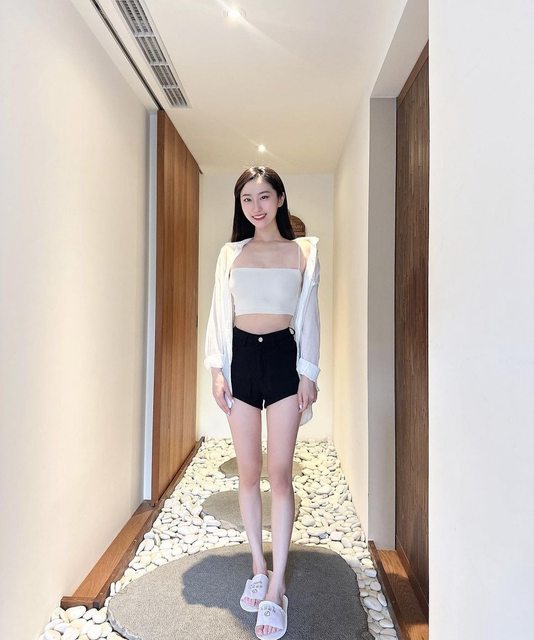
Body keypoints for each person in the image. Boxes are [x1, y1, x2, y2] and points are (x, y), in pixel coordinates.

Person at [204, 166, 320, 639]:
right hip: (241, 360)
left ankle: (277, 586)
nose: (256, 206)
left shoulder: (303, 252)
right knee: (249, 472)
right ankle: (258, 566)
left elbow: (309, 315)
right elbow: (219, 312)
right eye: (247, 199)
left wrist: (308, 372)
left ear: (280, 198)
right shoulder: (231, 253)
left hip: (282, 357)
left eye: (264, 196)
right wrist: (216, 370)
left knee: (280, 473)